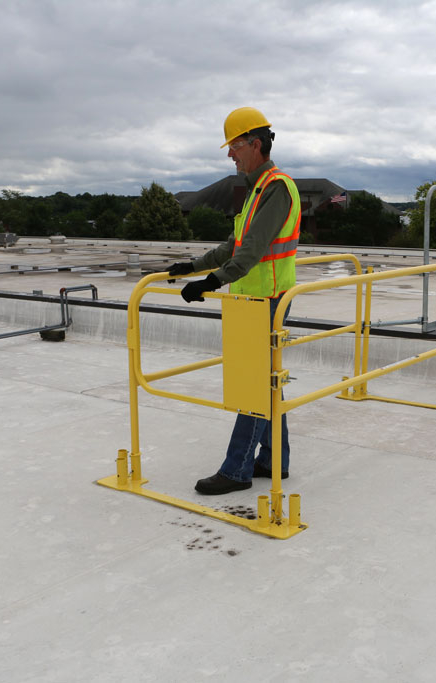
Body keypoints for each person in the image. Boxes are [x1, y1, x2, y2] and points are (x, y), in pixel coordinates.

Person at [166, 106, 301, 495]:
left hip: (268, 299)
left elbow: (252, 251)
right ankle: (273, 459)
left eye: (235, 146)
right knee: (266, 382)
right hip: (255, 299)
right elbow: (234, 245)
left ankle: (237, 469)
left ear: (255, 144)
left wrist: (211, 282)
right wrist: (192, 266)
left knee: (254, 384)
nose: (230, 154)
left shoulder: (276, 187)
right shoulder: (257, 189)